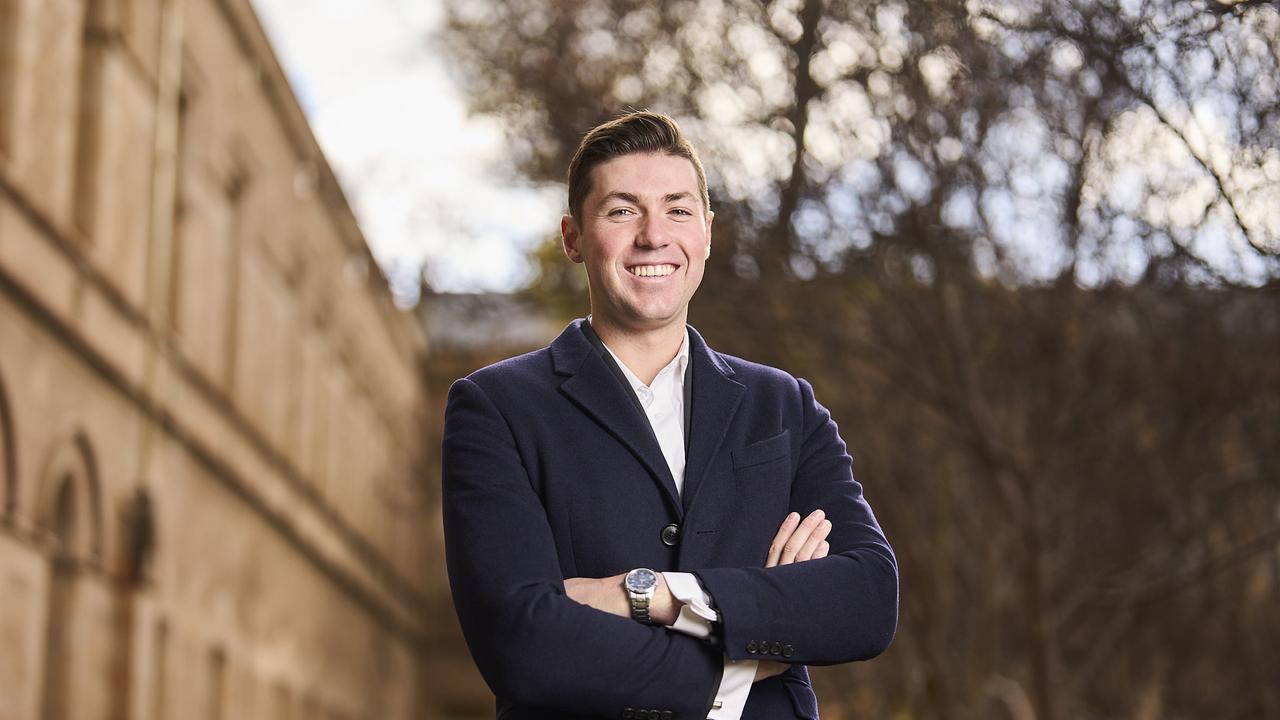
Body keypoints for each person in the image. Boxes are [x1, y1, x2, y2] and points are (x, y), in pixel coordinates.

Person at [442, 111, 897, 720]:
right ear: (573, 237)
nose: (654, 235)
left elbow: (867, 598)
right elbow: (522, 643)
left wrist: (652, 594)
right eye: (622, 210)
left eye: (678, 210)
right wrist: (755, 645)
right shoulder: (496, 408)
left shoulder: (783, 405)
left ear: (707, 233)